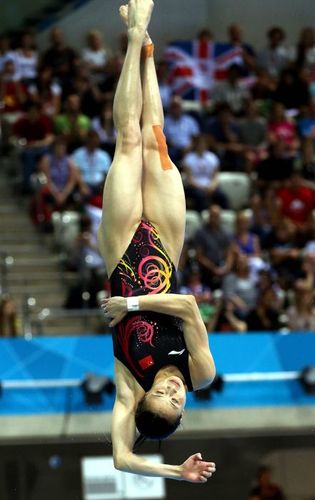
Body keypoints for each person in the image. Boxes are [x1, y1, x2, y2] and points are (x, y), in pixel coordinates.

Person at [98, 0, 216, 483]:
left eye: (161, 396)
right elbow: (188, 306)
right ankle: (146, 47)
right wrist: (132, 304)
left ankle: (133, 37)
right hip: (166, 248)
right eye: (177, 401)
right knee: (156, 137)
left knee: (128, 139)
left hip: (122, 245)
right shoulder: (200, 373)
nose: (172, 391)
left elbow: (121, 460)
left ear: (142, 399)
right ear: (185, 410)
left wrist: (171, 472)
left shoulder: (129, 382)